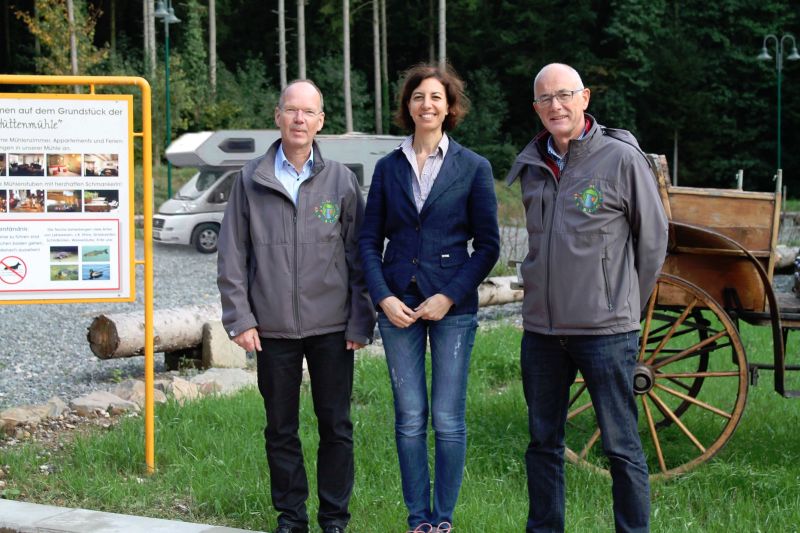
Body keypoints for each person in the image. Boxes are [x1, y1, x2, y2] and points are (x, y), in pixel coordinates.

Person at [505, 63, 669, 533]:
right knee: (542, 444)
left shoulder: (620, 158)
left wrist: (622, 304)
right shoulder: (532, 163)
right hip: (542, 332)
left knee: (621, 446)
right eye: (545, 99)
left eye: (564, 95)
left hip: (605, 333)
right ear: (536, 108)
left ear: (585, 98)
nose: (555, 106)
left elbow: (652, 240)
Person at [217, 79, 376, 533]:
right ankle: (292, 517)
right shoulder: (249, 180)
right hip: (271, 330)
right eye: (292, 110)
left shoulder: (341, 180)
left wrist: (359, 321)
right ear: (278, 116)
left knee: (336, 427)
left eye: (309, 112)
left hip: (332, 328)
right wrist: (240, 318)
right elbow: (232, 255)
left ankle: (334, 519)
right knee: (280, 429)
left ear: (321, 121)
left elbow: (359, 255)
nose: (299, 119)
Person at [359, 63, 500, 533]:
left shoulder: (473, 167)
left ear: (450, 106)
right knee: (410, 418)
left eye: (436, 97)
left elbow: (489, 246)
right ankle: (418, 519)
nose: (427, 104)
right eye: (419, 97)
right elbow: (367, 241)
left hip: (452, 310)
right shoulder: (387, 167)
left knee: (448, 417)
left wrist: (449, 295)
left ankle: (443, 520)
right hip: (397, 308)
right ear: (408, 106)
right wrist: (382, 298)